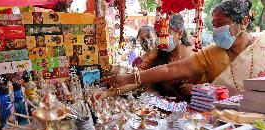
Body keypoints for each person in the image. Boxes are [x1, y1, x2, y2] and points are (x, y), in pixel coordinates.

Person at [102, 0, 265, 96]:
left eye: (221, 24)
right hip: (219, 123)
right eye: (214, 25)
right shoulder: (212, 52)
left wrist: (196, 89)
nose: (216, 30)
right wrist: (128, 78)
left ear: (243, 22)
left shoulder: (261, 49)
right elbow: (169, 69)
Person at [95, 13, 193, 101]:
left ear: (180, 33)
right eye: (159, 35)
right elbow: (139, 79)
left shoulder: (194, 54)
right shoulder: (159, 54)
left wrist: (195, 88)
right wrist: (108, 93)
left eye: (166, 35)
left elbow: (206, 87)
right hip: (164, 112)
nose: (161, 39)